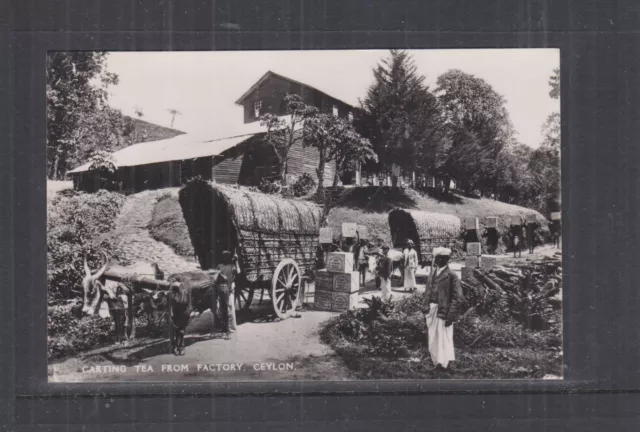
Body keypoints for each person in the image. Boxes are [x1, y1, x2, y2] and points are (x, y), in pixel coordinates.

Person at [422, 247, 464, 370]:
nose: (434, 259)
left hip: (443, 312)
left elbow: (458, 298)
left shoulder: (451, 275)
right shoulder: (433, 272)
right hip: (431, 309)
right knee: (433, 338)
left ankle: (443, 363)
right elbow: (427, 291)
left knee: (443, 338)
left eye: (436, 258)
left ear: (443, 259)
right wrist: (425, 306)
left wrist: (451, 315)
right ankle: (436, 361)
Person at [215, 250, 238, 339]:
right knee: (220, 308)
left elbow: (237, 273)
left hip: (229, 288)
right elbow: (215, 277)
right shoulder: (219, 266)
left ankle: (230, 328)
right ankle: (222, 328)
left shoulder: (233, 266)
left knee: (229, 308)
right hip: (221, 289)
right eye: (224, 256)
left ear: (229, 257)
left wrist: (236, 261)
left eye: (227, 256)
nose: (225, 258)